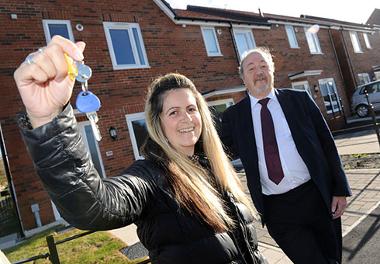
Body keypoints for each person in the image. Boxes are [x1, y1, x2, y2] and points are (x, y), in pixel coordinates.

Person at [14, 36, 267, 264]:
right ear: (158, 123)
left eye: (191, 109)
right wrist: (49, 121)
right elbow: (94, 206)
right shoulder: (151, 177)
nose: (187, 119)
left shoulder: (213, 164)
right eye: (173, 112)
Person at [220, 47, 352, 264]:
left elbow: (327, 144)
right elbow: (216, 152)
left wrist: (340, 189)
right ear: (243, 77)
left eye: (263, 66)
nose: (259, 72)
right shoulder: (234, 117)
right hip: (277, 210)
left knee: (332, 259)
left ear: (272, 71)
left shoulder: (299, 100)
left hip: (317, 197)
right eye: (251, 68)